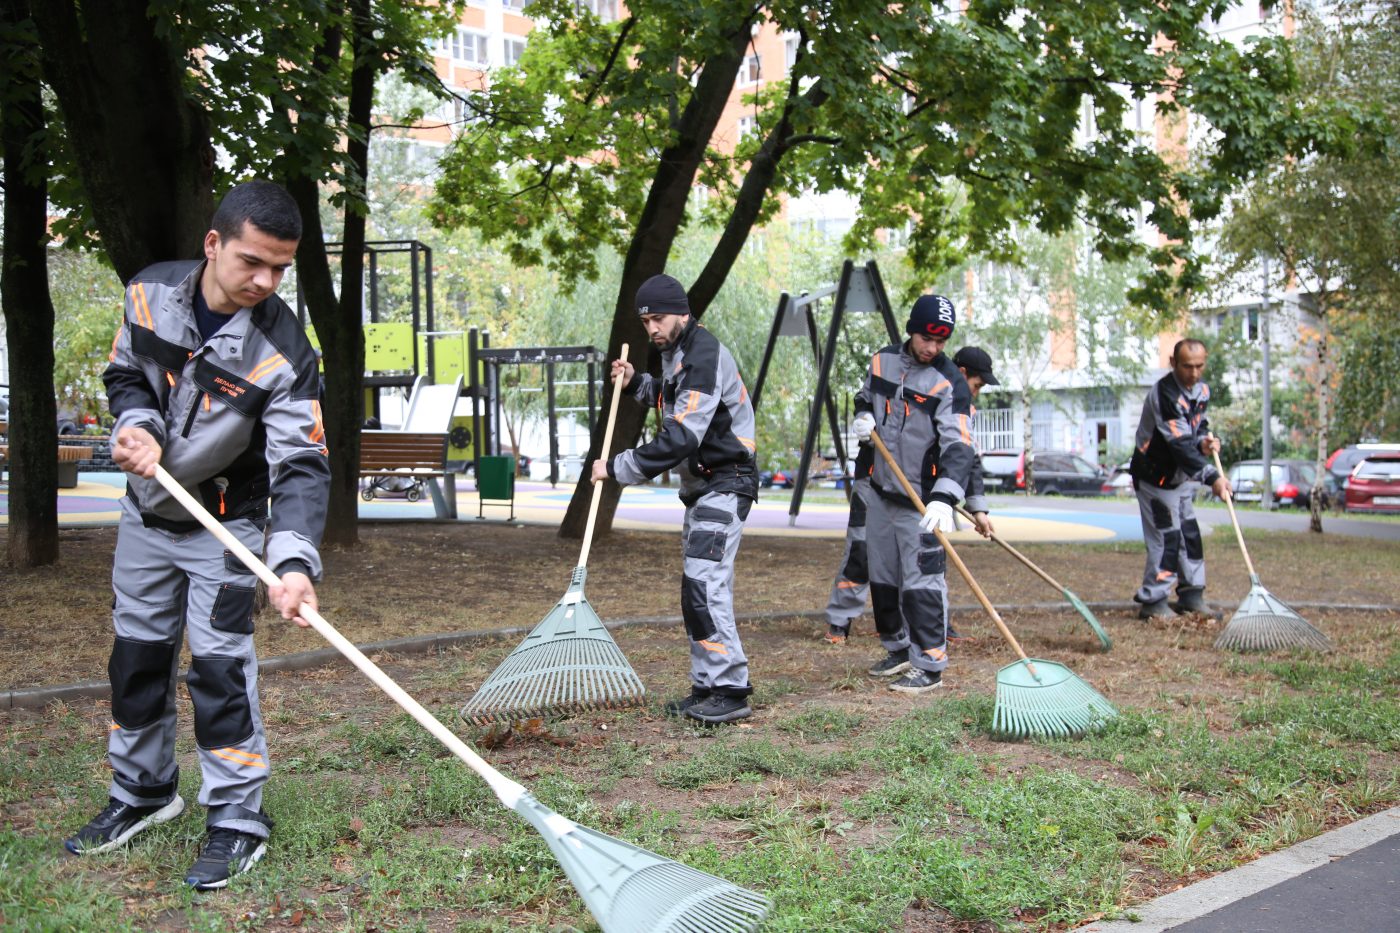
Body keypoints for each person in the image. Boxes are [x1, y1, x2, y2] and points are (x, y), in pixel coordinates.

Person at [63, 180, 330, 890]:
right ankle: (143, 792)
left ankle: (239, 819)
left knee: (219, 670)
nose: (265, 282)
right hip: (145, 516)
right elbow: (126, 375)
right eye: (252, 261)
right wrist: (135, 426)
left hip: (225, 527)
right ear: (213, 244)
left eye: (281, 268)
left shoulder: (283, 348)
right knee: (137, 658)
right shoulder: (148, 293)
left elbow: (301, 462)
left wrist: (294, 561)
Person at [590, 273, 759, 725]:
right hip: (703, 489)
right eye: (645, 323)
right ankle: (707, 685)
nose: (652, 330)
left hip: (726, 483)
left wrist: (618, 467)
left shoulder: (703, 355)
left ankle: (731, 689)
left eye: (659, 319)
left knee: (705, 585)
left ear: (682, 312)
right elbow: (673, 400)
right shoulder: (679, 354)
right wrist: (636, 383)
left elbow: (683, 435)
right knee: (695, 588)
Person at [822, 343, 998, 645]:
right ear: (964, 373)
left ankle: (928, 627)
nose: (977, 393)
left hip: (920, 493)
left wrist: (977, 507)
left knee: (922, 561)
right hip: (875, 482)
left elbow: (965, 455)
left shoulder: (958, 401)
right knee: (862, 551)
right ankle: (841, 619)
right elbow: (866, 400)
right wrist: (864, 416)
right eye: (977, 385)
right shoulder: (908, 378)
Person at [850, 294, 978, 695]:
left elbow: (959, 446)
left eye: (941, 342)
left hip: (923, 503)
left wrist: (945, 498)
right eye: (927, 338)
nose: (933, 348)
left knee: (924, 583)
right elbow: (864, 396)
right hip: (881, 491)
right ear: (911, 330)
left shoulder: (950, 383)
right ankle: (898, 647)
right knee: (883, 577)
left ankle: (930, 662)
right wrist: (861, 414)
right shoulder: (882, 361)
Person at [1128, 338, 1231, 619]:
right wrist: (1213, 478)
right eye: (1187, 367)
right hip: (1155, 479)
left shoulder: (1201, 391)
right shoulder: (1165, 395)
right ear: (1173, 363)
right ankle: (1154, 600)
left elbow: (1196, 428)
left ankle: (1191, 595)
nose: (1194, 373)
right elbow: (1180, 444)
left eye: (1199, 366)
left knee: (1189, 535)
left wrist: (1206, 443)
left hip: (1180, 479)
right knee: (1166, 538)